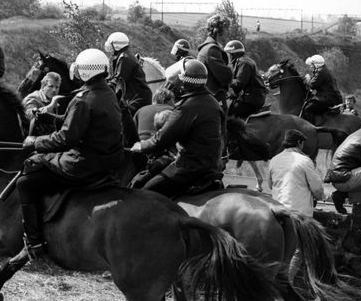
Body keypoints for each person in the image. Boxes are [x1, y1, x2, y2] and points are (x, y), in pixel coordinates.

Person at [16, 48, 124, 259]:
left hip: (83, 164)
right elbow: (81, 124)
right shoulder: (107, 93)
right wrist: (52, 118)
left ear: (84, 72)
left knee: (25, 183)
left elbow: (67, 138)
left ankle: (34, 242)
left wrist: (35, 141)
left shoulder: (83, 99)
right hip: (108, 162)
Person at [131, 59, 224, 198]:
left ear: (185, 82)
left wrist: (141, 146)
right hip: (212, 165)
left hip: (189, 167)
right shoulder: (213, 102)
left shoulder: (186, 107)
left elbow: (163, 138)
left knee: (145, 193)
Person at [268, 129, 324, 281]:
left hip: (276, 212)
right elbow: (318, 189)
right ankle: (285, 283)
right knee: (298, 251)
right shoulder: (305, 161)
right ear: (299, 143)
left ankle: (273, 283)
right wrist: (320, 196)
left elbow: (270, 184)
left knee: (279, 250)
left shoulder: (274, 160)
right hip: (299, 214)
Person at [105, 31, 152, 115]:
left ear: (117, 45)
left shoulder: (125, 58)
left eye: (111, 45)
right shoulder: (124, 55)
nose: (110, 48)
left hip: (136, 100)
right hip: (135, 97)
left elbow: (119, 80)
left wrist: (102, 86)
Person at [196, 14, 233, 114]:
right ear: (219, 30)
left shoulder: (207, 47)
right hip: (214, 98)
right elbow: (226, 77)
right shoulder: (212, 49)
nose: (228, 32)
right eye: (226, 29)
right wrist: (230, 65)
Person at [224, 40, 268, 119]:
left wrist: (225, 82)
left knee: (228, 112)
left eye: (228, 53)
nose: (228, 56)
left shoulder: (244, 63)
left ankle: (239, 131)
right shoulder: (242, 61)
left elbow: (239, 83)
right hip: (251, 97)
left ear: (233, 54)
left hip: (252, 99)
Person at [301, 54, 342, 123]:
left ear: (316, 65)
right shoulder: (323, 70)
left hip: (328, 98)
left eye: (312, 64)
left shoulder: (321, 72)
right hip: (330, 97)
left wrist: (308, 78)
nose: (311, 66)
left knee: (308, 109)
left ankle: (311, 128)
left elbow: (312, 85)